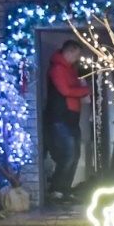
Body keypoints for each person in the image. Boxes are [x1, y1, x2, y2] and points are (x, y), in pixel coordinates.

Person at [44, 40, 91, 201]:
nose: (77, 58)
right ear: (69, 52)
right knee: (68, 154)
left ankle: (64, 190)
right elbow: (65, 90)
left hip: (71, 118)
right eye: (76, 55)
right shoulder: (57, 68)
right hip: (60, 117)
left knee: (75, 154)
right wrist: (85, 90)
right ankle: (56, 189)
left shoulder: (71, 69)